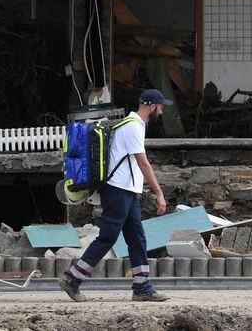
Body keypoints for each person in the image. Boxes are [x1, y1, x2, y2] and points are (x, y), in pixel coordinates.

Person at [59, 89, 171, 302]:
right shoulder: (133, 127)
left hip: (127, 191)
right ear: (152, 106)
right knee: (108, 237)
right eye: (161, 106)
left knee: (137, 238)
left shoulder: (133, 125)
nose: (162, 111)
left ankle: (142, 287)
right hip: (118, 190)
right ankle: (72, 278)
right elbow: (143, 163)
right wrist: (159, 193)